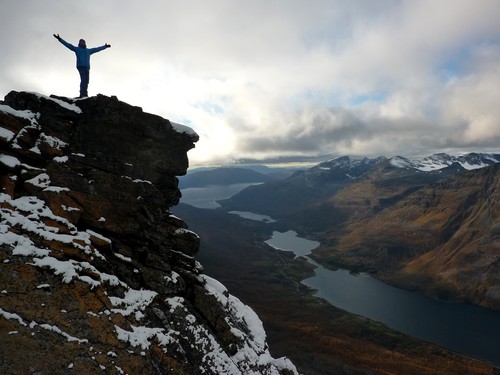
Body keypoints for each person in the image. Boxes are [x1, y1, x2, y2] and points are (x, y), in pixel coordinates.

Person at [53, 34, 111, 98]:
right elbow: (68, 45)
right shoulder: (77, 49)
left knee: (86, 80)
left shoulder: (88, 51)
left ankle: (85, 94)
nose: (82, 43)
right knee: (83, 79)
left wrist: (105, 46)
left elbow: (97, 49)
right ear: (79, 43)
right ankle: (82, 94)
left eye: (83, 42)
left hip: (87, 67)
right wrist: (59, 39)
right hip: (81, 66)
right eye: (81, 42)